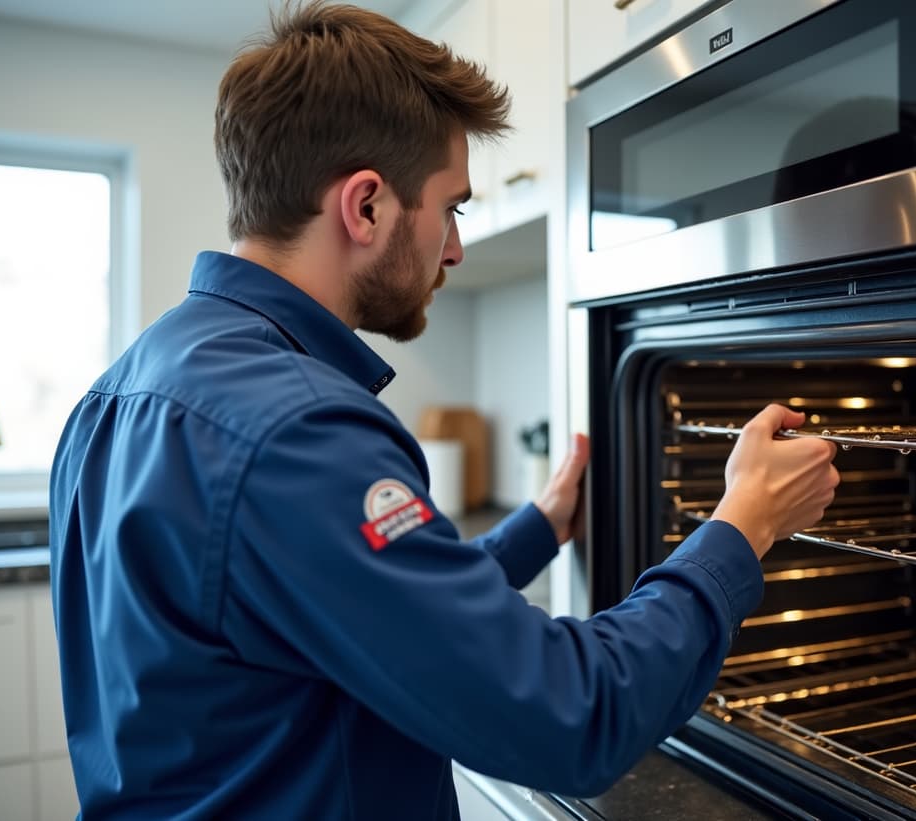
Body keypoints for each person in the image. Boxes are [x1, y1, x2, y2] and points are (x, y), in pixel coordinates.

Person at [47, 3, 840, 819]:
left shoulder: (113, 398)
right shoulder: (298, 428)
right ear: (365, 206)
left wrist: (538, 524)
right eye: (452, 206)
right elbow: (570, 716)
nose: (456, 245)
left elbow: (353, 611)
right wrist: (743, 524)